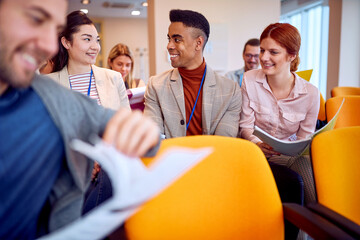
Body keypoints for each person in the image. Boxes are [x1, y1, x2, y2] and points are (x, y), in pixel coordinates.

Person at [0, 0, 160, 239]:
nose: (48, 46)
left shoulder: (51, 98)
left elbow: (142, 135)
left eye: (54, 31)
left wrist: (143, 131)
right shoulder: (53, 85)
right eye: (35, 19)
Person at [239, 23, 320, 204]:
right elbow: (245, 126)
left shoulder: (311, 93)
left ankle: (313, 228)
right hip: (254, 152)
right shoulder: (250, 79)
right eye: (262, 50)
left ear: (291, 55)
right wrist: (256, 143)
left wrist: (292, 148)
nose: (264, 58)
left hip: (289, 156)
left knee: (310, 183)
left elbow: (304, 138)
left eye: (273, 52)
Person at [144, 9, 242, 139]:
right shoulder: (156, 85)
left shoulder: (230, 91)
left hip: (213, 158)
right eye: (169, 39)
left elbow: (223, 143)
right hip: (170, 157)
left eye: (177, 40)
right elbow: (153, 138)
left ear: (198, 43)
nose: (169, 46)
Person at [47, 10, 129, 110]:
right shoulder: (48, 84)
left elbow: (126, 121)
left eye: (97, 40)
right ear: (66, 42)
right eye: (87, 39)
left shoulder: (114, 78)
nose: (95, 47)